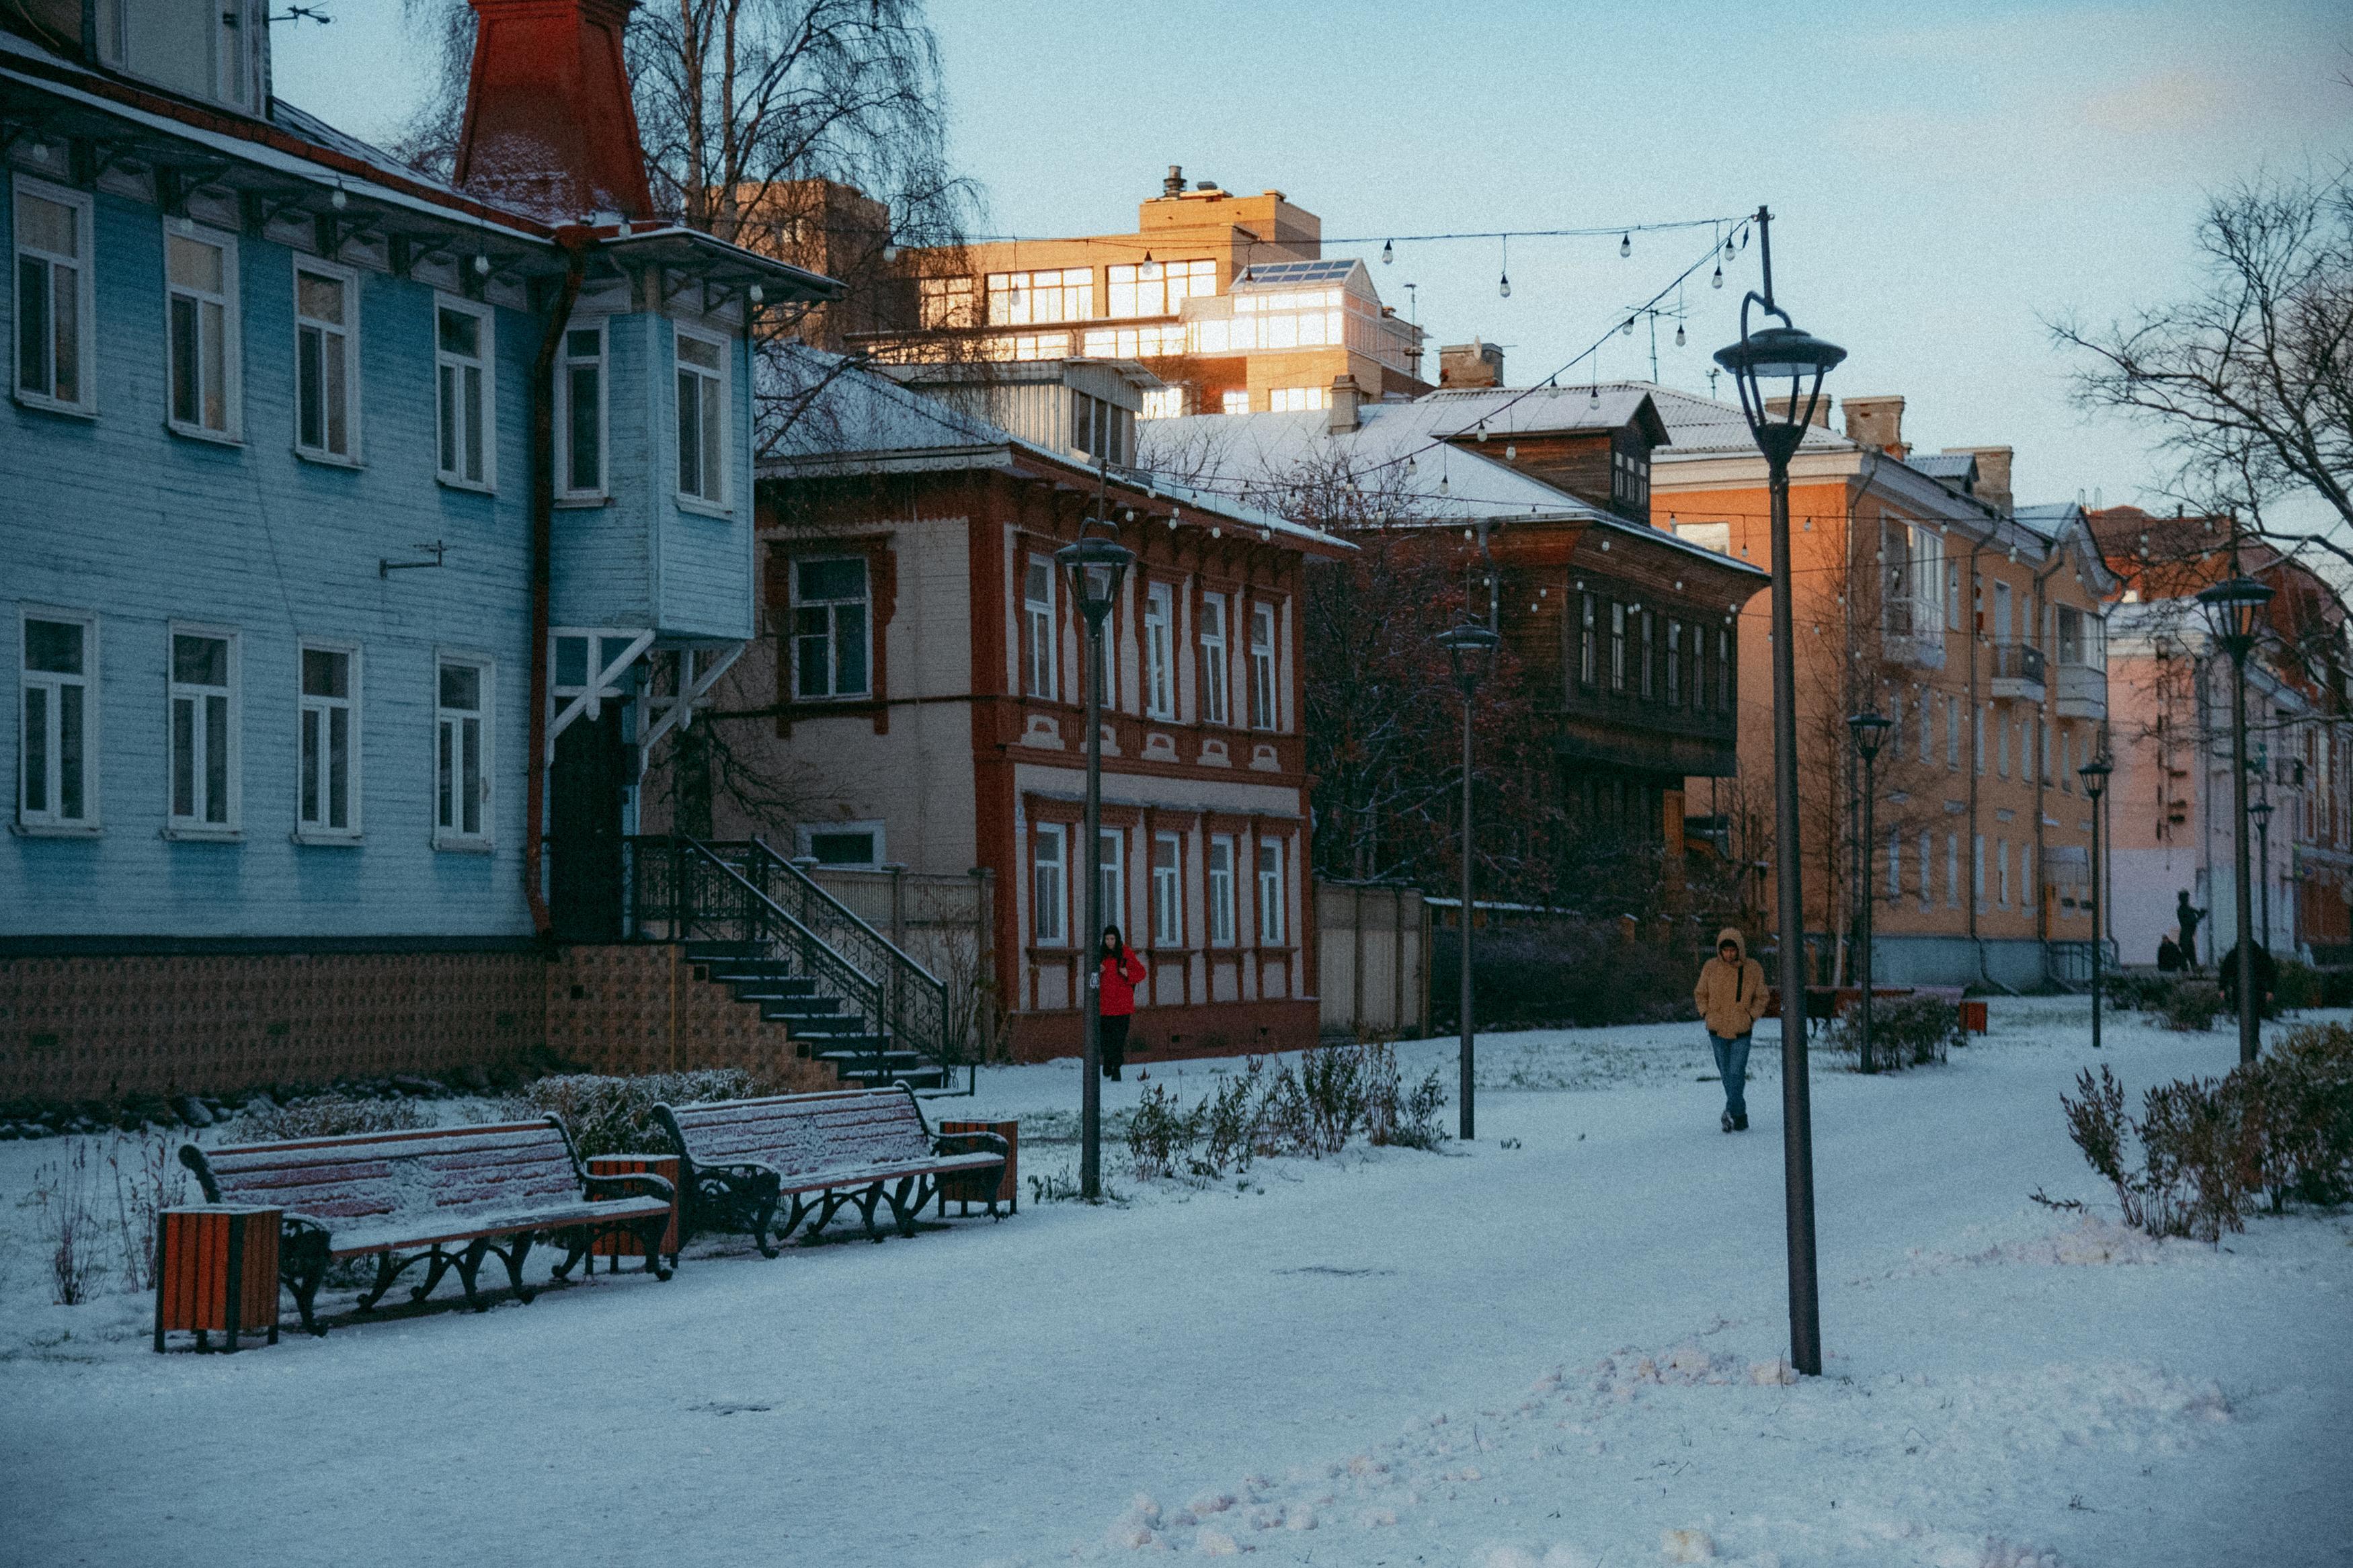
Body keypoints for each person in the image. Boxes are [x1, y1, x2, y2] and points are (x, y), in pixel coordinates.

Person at [1693, 927, 1768, 1133]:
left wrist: (1750, 1016)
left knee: (1736, 1073)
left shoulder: (1753, 969)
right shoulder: (1710, 968)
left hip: (1741, 1030)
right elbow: (1701, 993)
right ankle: (1740, 1115)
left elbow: (1762, 997)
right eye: (1725, 950)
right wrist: (1706, 1014)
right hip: (1717, 1030)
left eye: (1732, 950)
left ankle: (1729, 1112)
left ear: (1739, 949)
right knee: (1726, 1074)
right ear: (1720, 950)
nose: (1729, 954)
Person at [1094, 924, 1147, 1081]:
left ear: (1117, 939)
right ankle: (1108, 1062)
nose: (1110, 942)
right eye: (1107, 939)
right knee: (1105, 1039)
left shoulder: (1125, 953)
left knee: (1119, 1039)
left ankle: (1116, 1068)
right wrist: (1097, 971)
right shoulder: (1100, 955)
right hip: (1105, 1006)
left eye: (1112, 939)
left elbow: (1141, 972)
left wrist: (1128, 973)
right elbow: (1089, 976)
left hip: (1123, 1005)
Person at [2215, 940, 2278, 1018]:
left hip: (2241, 987)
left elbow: (2225, 973)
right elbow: (2271, 973)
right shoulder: (2261, 955)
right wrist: (2270, 990)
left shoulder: (2234, 955)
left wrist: (2222, 988)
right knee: (2257, 1011)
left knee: (2241, 1009)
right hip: (2257, 988)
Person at [2175, 891, 2204, 971]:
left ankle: (2193, 971)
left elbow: (2195, 914)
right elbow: (2190, 922)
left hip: (2188, 937)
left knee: (2191, 957)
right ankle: (2187, 972)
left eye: (2188, 898)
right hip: (2185, 937)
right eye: (2186, 898)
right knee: (2187, 957)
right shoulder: (2182, 910)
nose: (2188, 900)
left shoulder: (2188, 909)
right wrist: (2200, 917)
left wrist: (2200, 914)